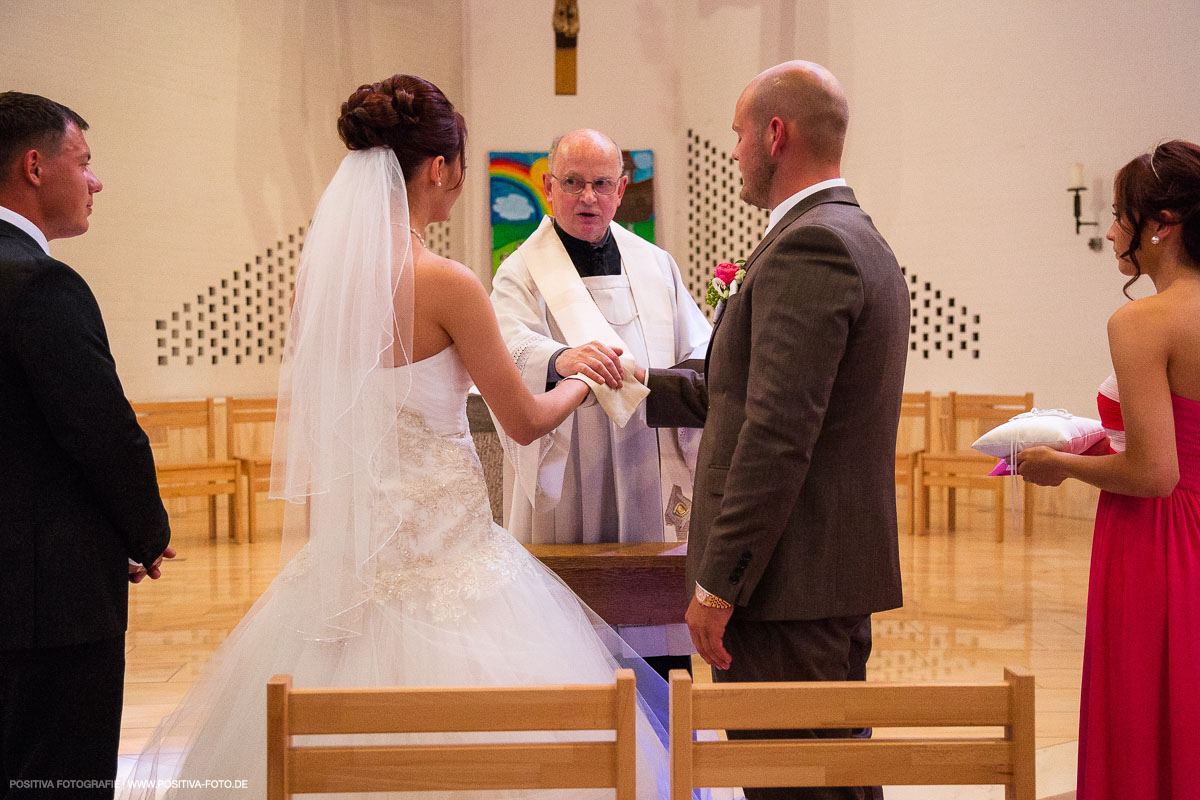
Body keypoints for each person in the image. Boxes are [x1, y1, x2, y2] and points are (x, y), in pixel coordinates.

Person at [120, 76, 672, 799]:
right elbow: (524, 420)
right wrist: (585, 377)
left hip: (348, 561)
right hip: (452, 559)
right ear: (439, 169)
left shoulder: (316, 279)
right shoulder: (447, 283)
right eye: (460, 166)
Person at [639, 61, 909, 800]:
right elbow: (747, 391)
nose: (732, 152)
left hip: (785, 587)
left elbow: (777, 435)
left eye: (736, 134)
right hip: (816, 577)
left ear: (775, 133)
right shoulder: (851, 233)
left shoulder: (809, 246)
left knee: (799, 786)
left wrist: (718, 587)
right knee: (835, 779)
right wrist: (634, 385)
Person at [0, 92, 174, 798]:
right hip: (48, 601)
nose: (95, 182)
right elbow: (100, 431)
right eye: (85, 162)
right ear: (36, 166)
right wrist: (145, 531)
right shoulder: (39, 283)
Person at [1017, 141, 1200, 800]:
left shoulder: (1143, 321)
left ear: (1163, 223)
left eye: (1121, 215)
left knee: (1146, 704)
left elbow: (1156, 474)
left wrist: (1058, 464)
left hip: (1158, 540)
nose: (1112, 230)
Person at [490, 128, 710, 672]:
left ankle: (661, 730)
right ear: (548, 187)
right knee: (571, 637)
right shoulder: (520, 270)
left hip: (646, 460)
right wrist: (558, 359)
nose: (588, 197)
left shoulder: (656, 264)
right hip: (568, 466)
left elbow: (700, 351)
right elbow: (507, 343)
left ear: (622, 188)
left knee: (653, 637)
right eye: (573, 182)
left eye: (601, 183)